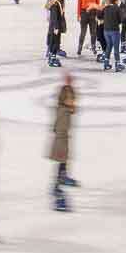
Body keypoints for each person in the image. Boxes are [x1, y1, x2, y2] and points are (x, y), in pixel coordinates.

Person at [48, 74, 77, 212]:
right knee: (61, 165)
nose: (73, 101)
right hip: (60, 143)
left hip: (62, 141)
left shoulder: (65, 108)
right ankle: (57, 191)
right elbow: (58, 128)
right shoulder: (63, 112)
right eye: (70, 99)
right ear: (65, 100)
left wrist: (69, 85)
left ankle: (61, 180)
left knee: (63, 164)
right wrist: (60, 146)